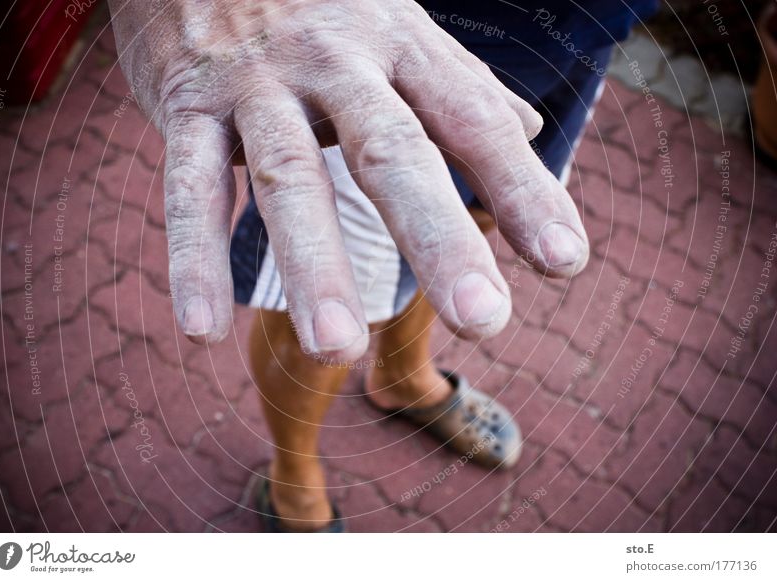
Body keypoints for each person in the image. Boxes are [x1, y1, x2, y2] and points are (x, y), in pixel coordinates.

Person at [109, 0, 658, 532]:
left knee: (466, 225)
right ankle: (292, 475)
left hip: (582, 32)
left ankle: (402, 377)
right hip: (369, 37)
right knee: (329, 304)